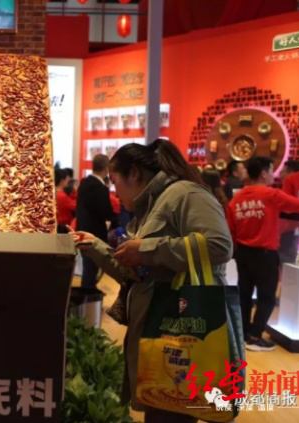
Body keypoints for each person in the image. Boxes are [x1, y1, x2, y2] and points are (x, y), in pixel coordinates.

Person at [70, 140, 232, 423]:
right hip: (161, 333)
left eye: (115, 182)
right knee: (162, 411)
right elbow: (137, 275)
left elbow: (219, 245)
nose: (114, 191)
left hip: (180, 331)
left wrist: (147, 249)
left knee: (171, 413)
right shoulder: (153, 205)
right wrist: (95, 246)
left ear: (134, 174)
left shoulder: (184, 193)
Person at [227, 156, 299, 351]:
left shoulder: (237, 198)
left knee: (245, 295)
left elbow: (231, 228)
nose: (274, 175)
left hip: (243, 253)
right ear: (263, 173)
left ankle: (243, 333)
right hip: (265, 253)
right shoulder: (271, 194)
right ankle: (255, 337)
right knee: (267, 297)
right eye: (272, 170)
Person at [75, 154, 115, 290]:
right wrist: (116, 222)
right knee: (92, 269)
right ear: (106, 168)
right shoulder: (99, 188)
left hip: (82, 229)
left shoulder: (84, 183)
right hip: (94, 233)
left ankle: (87, 293)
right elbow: (105, 212)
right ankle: (88, 294)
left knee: (88, 267)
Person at [55, 168, 76, 234]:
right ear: (62, 181)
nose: (68, 181)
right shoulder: (62, 196)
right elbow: (75, 206)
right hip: (63, 227)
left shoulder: (54, 193)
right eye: (67, 179)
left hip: (57, 225)